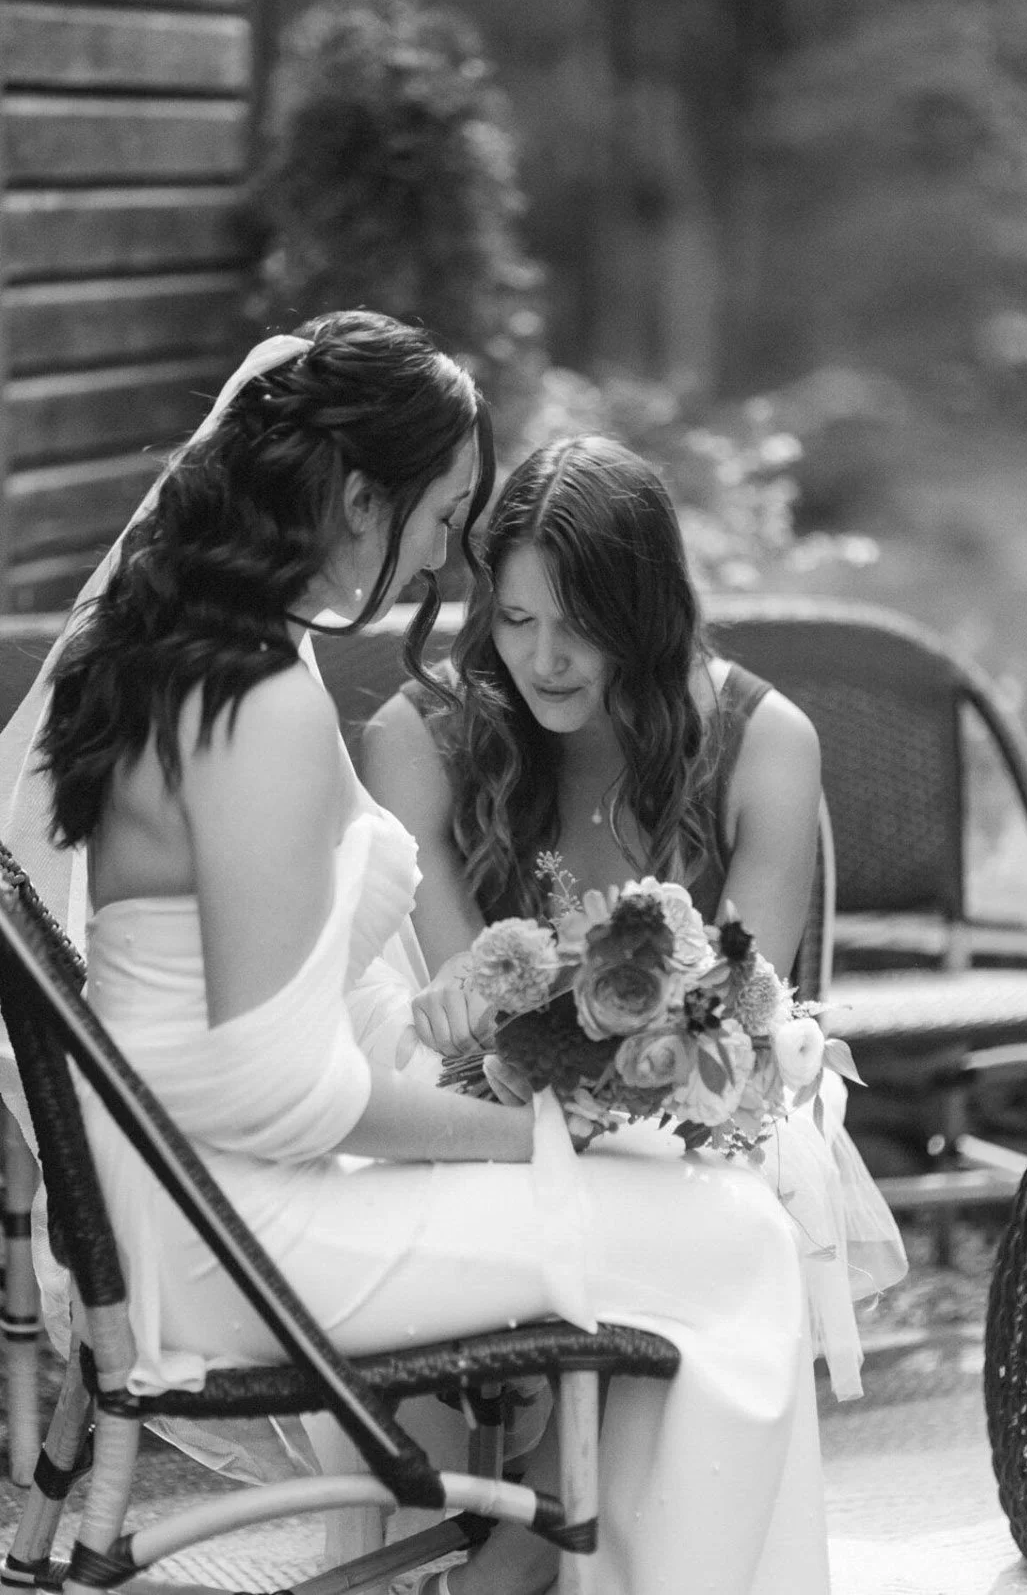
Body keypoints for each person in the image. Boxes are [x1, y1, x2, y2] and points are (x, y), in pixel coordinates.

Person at [3, 327, 832, 1595]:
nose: (449, 553)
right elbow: (268, 1092)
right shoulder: (258, 703)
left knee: (710, 1223)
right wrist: (551, 1138)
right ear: (357, 500)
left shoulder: (193, 658)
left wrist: (460, 1031)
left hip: (193, 1201)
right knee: (727, 1244)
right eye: (445, 515)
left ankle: (557, 1563)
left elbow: (276, 1016)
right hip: (238, 1229)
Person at [364, 432, 908, 1404]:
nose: (542, 659)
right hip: (491, 1105)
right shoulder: (418, 741)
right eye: (517, 618)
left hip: (699, 1111)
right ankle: (532, 1504)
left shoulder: (763, 744)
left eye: (578, 624)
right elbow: (467, 1022)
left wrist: (631, 1075)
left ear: (643, 614)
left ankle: (574, 1526)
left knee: (697, 1226)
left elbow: (738, 1018)